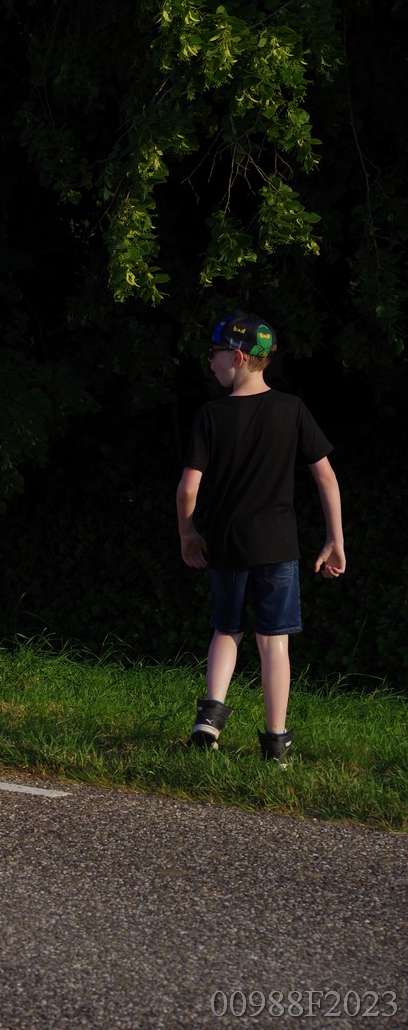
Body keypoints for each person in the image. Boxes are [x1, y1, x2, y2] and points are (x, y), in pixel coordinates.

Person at [176, 313, 344, 768]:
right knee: (274, 641)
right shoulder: (292, 409)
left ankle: (209, 719)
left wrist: (188, 532)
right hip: (277, 546)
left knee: (226, 628)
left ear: (237, 357)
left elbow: (188, 488)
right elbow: (326, 478)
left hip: (226, 543)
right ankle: (275, 743)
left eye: (214, 354)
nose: (210, 362)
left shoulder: (210, 415)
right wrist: (335, 540)